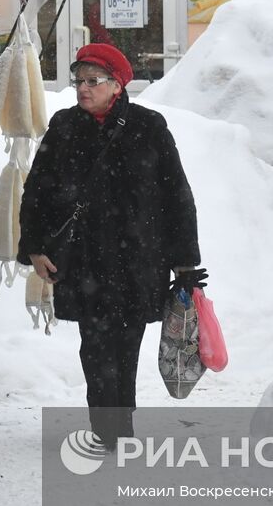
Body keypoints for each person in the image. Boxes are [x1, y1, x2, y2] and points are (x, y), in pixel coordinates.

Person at [18, 43, 201, 449]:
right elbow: (36, 192)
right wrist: (34, 247)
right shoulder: (64, 126)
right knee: (95, 345)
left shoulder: (149, 126)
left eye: (92, 81)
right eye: (78, 81)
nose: (83, 89)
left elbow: (177, 196)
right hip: (83, 261)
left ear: (117, 84)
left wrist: (186, 263)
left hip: (139, 260)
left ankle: (121, 418)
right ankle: (107, 427)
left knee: (126, 346)